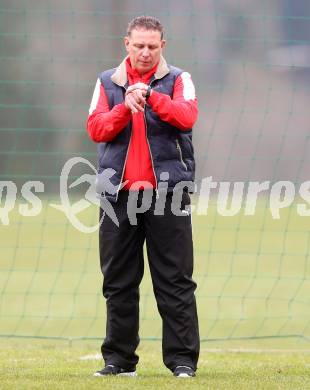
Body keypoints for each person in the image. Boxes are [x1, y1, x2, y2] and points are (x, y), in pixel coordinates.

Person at [86, 15, 200, 378]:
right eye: (139, 46)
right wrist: (126, 106)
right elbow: (96, 127)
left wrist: (152, 98)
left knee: (175, 280)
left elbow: (187, 116)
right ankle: (118, 361)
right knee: (118, 281)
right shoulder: (108, 82)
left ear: (162, 46)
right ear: (127, 44)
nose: (146, 52)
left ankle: (182, 361)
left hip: (167, 194)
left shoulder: (179, 79)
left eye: (153, 46)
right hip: (117, 198)